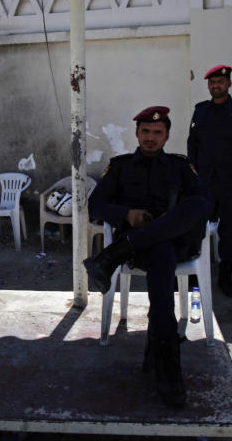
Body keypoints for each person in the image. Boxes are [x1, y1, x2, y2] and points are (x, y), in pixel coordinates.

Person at [83, 105, 212, 407]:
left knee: (196, 205)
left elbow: (204, 204)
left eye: (157, 133)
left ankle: (113, 255)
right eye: (145, 132)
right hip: (147, 250)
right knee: (160, 252)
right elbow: (96, 206)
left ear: (167, 136)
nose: (151, 138)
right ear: (137, 133)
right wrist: (127, 213)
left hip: (169, 243)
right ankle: (169, 373)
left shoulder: (181, 167)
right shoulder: (121, 167)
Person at [188, 65, 232, 297]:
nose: (215, 86)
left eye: (220, 82)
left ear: (229, 84)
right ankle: (192, 273)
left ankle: (225, 276)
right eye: (211, 83)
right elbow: (193, 146)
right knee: (195, 226)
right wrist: (191, 177)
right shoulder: (201, 111)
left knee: (230, 230)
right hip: (205, 182)